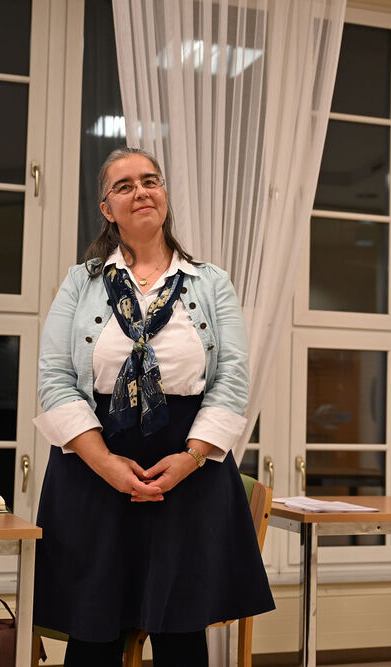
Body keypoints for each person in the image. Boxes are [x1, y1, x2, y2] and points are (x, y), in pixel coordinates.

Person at [32, 147, 274, 666]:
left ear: (164, 194)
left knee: (181, 631)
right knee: (92, 634)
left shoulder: (212, 282)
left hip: (190, 470)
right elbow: (54, 379)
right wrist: (105, 464)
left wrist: (191, 458)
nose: (141, 191)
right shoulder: (80, 282)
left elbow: (232, 379)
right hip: (92, 469)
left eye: (150, 181)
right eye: (124, 186)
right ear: (106, 208)